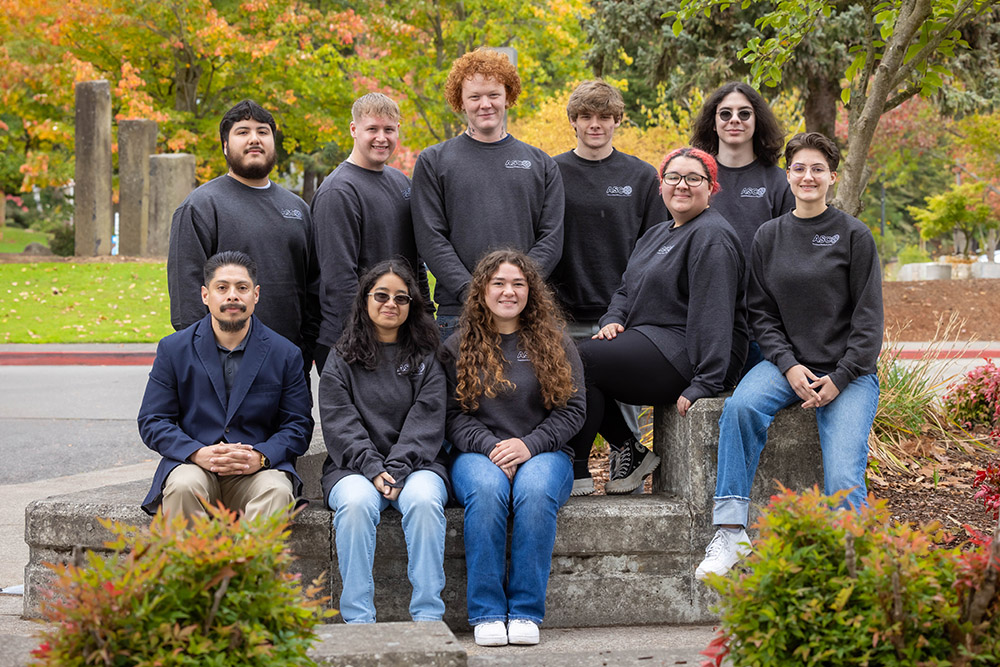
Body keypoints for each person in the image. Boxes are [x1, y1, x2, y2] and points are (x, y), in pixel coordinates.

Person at [695, 132, 882, 580]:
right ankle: (730, 532)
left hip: (849, 374)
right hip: (786, 366)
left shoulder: (854, 236)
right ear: (788, 175)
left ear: (832, 177)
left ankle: (850, 568)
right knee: (740, 409)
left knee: (841, 474)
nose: (807, 176)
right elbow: (761, 314)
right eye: (799, 168)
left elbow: (869, 322)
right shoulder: (768, 236)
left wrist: (838, 378)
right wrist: (788, 365)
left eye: (818, 168)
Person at [567, 148, 748, 495]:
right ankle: (627, 451)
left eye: (693, 179)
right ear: (661, 185)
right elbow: (626, 288)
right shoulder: (657, 234)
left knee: (580, 359)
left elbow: (715, 314)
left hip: (689, 352)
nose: (682, 186)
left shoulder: (712, 237)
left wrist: (706, 382)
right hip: (652, 340)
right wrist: (613, 319)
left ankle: (575, 466)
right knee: (580, 360)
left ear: (711, 188)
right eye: (673, 178)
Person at [443, 250, 585, 647]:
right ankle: (486, 611)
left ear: (531, 291)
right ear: (482, 291)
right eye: (499, 283)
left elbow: (574, 410)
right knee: (487, 490)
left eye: (518, 284)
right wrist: (492, 448)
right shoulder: (458, 346)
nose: (509, 292)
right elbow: (451, 416)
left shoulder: (554, 342)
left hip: (546, 454)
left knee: (535, 490)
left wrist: (529, 445)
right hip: (477, 454)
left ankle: (524, 610)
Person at [551, 79, 669, 496]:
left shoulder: (640, 176)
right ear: (574, 121)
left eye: (604, 116)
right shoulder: (552, 171)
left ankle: (628, 473)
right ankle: (575, 474)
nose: (595, 124)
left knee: (622, 405)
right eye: (586, 116)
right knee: (564, 404)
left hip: (622, 316)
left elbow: (657, 248)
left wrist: (633, 309)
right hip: (561, 312)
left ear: (618, 120)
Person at [139, 251, 313, 520]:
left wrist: (262, 456)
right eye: (222, 288)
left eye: (241, 288)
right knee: (183, 485)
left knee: (277, 491)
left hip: (256, 472)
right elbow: (152, 420)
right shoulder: (174, 349)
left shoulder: (285, 353)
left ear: (255, 295)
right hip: (194, 466)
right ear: (205, 295)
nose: (232, 295)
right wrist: (196, 453)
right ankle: (197, 564)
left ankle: (244, 564)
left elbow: (299, 425)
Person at [319, 260, 448, 623]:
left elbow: (428, 419)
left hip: (418, 464)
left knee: (424, 501)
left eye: (401, 298)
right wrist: (374, 469)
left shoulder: (426, 357)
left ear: (412, 306)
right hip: (354, 468)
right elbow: (339, 422)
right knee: (357, 505)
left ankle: (428, 617)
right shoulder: (341, 357)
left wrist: (395, 468)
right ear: (364, 301)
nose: (391, 304)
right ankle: (359, 619)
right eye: (381, 295)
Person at [412, 49, 565, 340]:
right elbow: (431, 238)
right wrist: (473, 292)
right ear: (460, 101)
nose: (485, 104)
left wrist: (516, 289)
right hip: (458, 314)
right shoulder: (434, 162)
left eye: (494, 95)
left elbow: (551, 238)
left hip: (525, 313)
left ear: (508, 96)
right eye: (475, 97)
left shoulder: (541, 164)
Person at [168, 99, 320, 379]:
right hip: (223, 367)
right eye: (243, 132)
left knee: (293, 426)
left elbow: (314, 286)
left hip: (289, 365)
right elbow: (186, 296)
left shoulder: (298, 209)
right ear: (225, 145)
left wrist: (305, 348)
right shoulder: (201, 206)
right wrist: (210, 360)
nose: (255, 139)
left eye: (263, 132)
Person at [310, 93, 432, 374]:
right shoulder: (339, 191)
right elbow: (339, 280)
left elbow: (415, 263)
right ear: (354, 130)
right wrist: (364, 339)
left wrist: (425, 319)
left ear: (398, 130)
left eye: (389, 129)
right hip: (354, 341)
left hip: (400, 336)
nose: (381, 138)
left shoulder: (401, 182)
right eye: (372, 129)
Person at [691, 82, 794, 372]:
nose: (734, 120)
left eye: (744, 113)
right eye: (725, 114)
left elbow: (791, 256)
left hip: (763, 329)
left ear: (757, 121)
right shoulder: (694, 180)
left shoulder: (778, 183)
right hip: (704, 326)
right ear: (713, 123)